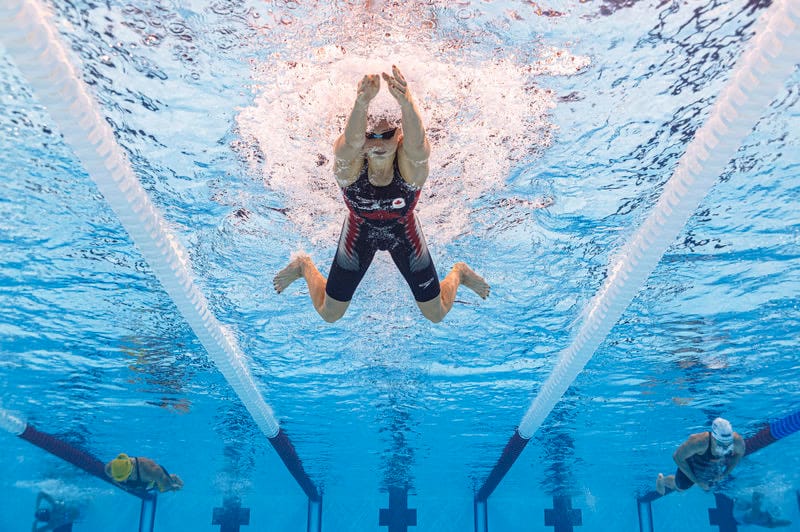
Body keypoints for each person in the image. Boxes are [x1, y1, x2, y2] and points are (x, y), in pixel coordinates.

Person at [273, 65, 490, 323]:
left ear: (399, 136)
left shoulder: (409, 171)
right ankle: (303, 265)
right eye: (370, 135)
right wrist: (361, 103)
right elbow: (349, 143)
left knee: (436, 313)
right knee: (330, 313)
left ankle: (459, 273)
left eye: (386, 135)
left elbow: (418, 145)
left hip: (403, 231)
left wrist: (407, 103)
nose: (377, 142)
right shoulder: (351, 169)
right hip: (359, 230)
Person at [656, 417, 745, 494]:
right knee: (680, 488)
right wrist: (697, 481)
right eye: (721, 444)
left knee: (709, 487)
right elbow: (677, 457)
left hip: (713, 463)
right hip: (692, 465)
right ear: (713, 438)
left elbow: (739, 454)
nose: (725, 448)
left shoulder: (737, 441)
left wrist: (725, 474)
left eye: (728, 444)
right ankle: (662, 480)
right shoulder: (698, 442)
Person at [104, 453, 183, 492]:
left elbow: (163, 481)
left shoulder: (148, 469)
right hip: (138, 483)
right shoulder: (113, 466)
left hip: (151, 481)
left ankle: (173, 478)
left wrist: (171, 487)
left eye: (121, 478)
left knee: (161, 488)